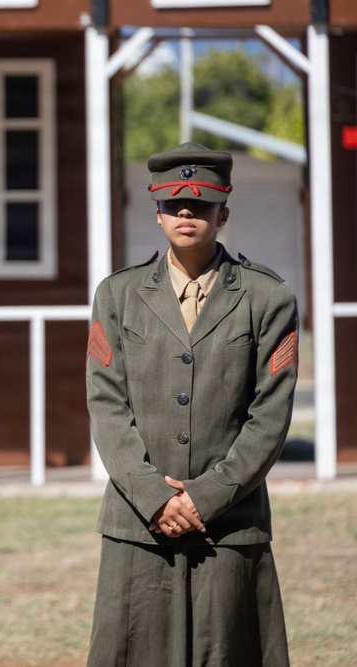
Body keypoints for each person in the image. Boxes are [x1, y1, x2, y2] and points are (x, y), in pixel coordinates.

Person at [85, 142, 297, 666]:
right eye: (175, 204)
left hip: (228, 526)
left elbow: (269, 415)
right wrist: (155, 498)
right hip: (138, 524)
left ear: (223, 212)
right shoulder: (118, 296)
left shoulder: (268, 298)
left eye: (201, 204)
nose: (187, 213)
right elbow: (106, 405)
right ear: (156, 213)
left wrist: (204, 497)